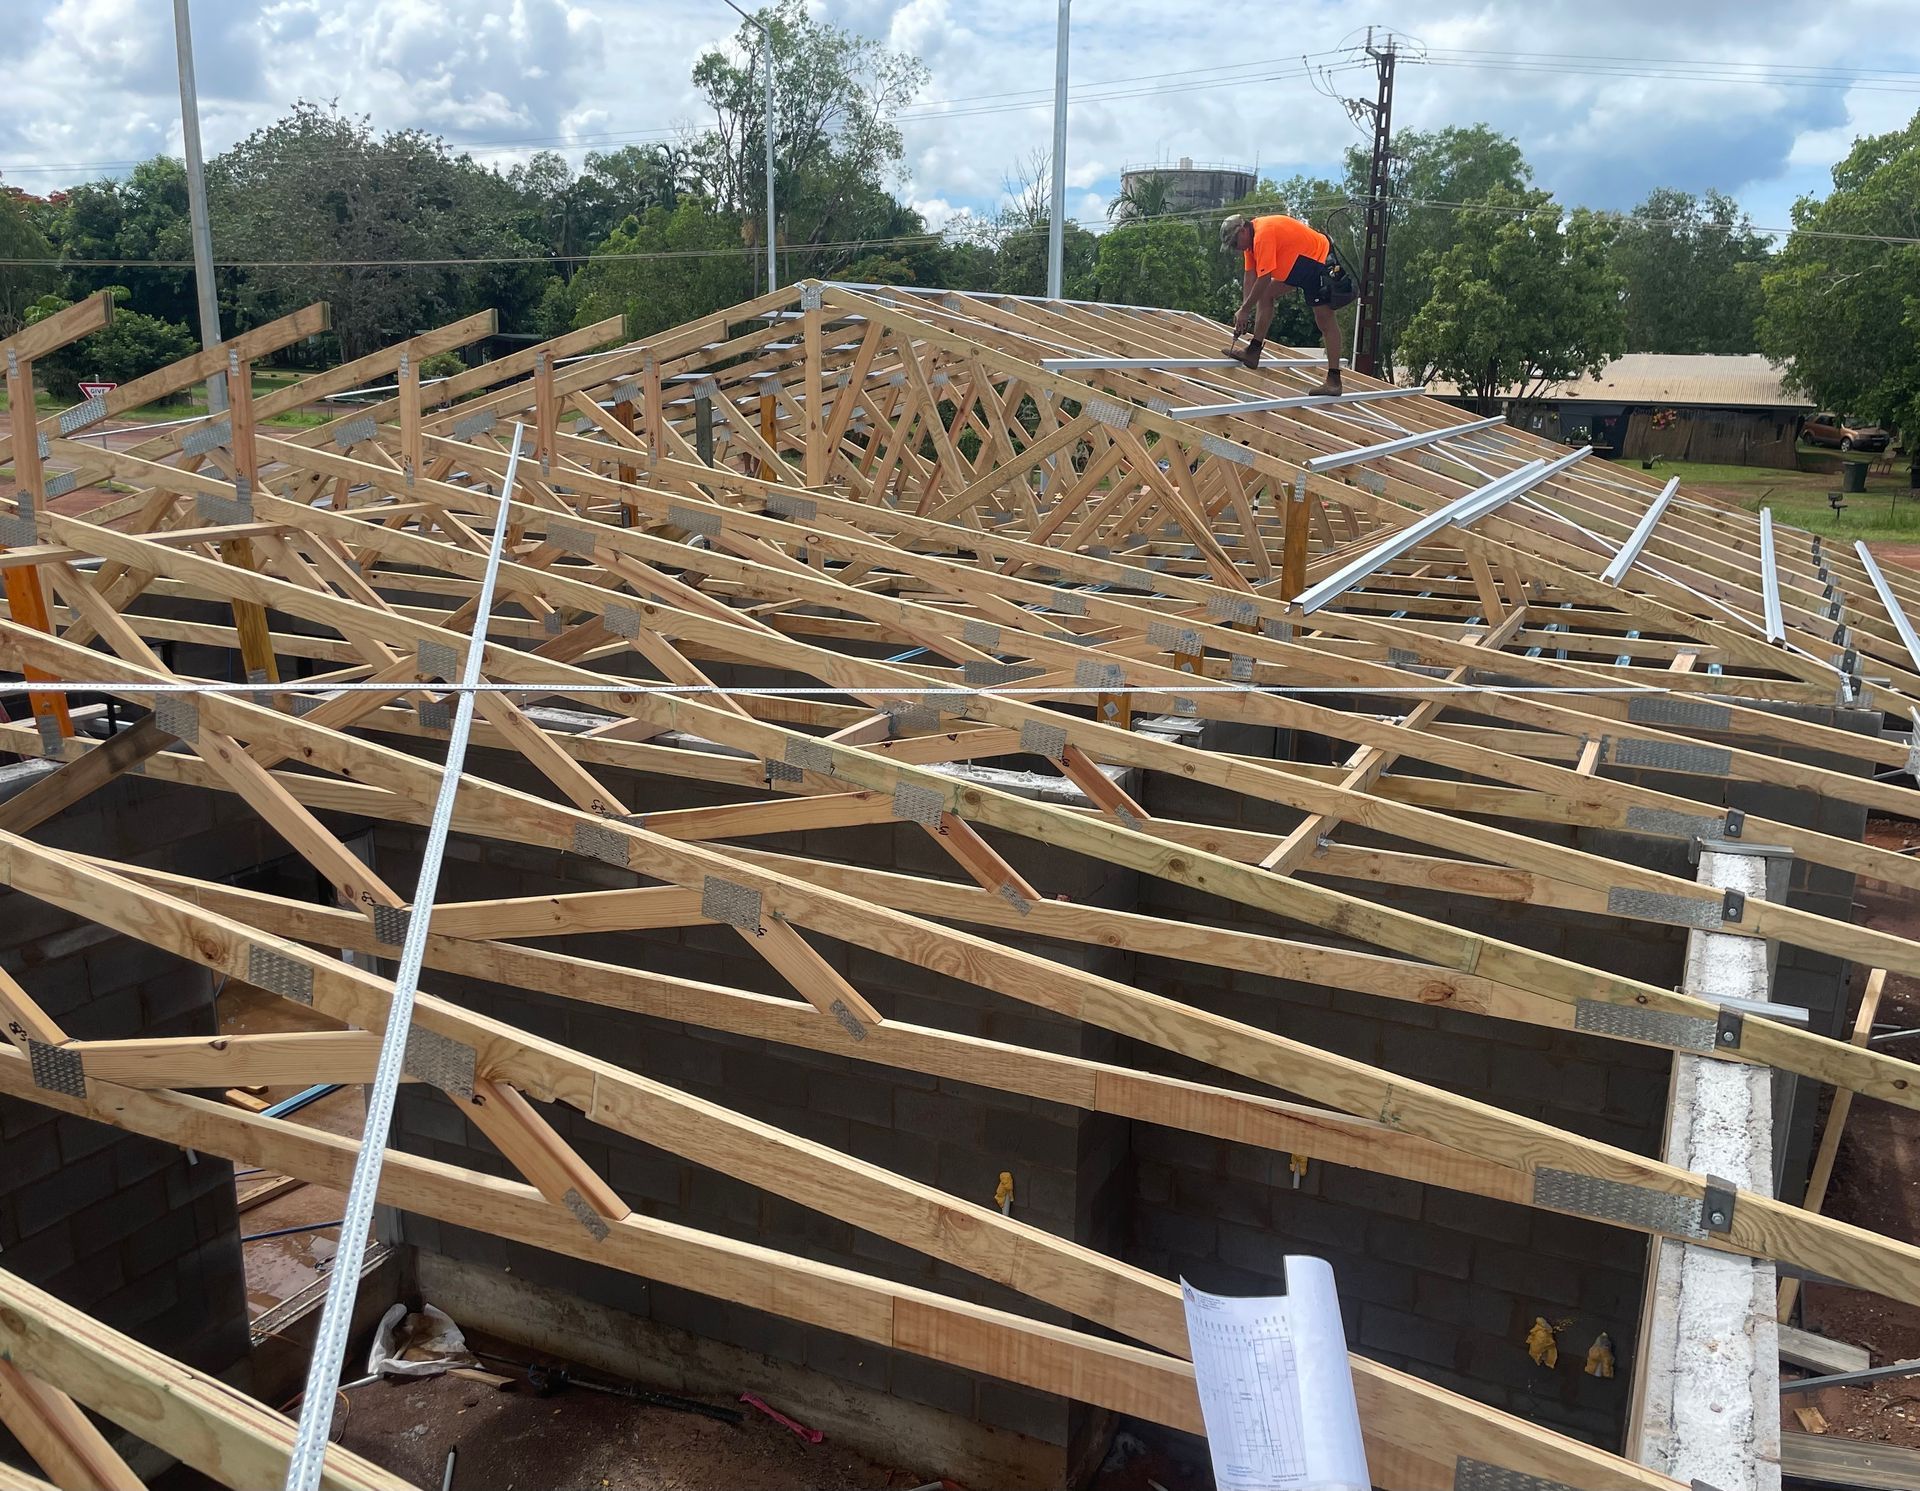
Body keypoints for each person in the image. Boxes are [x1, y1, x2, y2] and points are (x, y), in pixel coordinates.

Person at [1219, 212, 1357, 395]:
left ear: (1243, 230)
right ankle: (1253, 351)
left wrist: (1245, 310)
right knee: (1265, 295)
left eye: (1235, 243)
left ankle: (1334, 381)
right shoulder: (1249, 246)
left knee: (1325, 320)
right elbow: (1249, 277)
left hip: (1318, 261)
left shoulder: (1262, 235)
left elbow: (1264, 278)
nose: (1236, 248)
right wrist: (1244, 310)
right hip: (1297, 267)